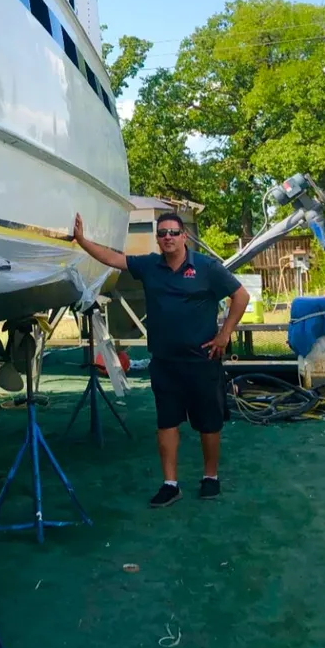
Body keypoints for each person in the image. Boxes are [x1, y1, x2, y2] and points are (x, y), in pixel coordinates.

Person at [73, 211, 249, 507]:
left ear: (184, 236)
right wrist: (80, 240)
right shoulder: (149, 266)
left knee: (209, 423)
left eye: (173, 232)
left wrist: (224, 334)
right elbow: (112, 259)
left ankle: (210, 477)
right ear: (158, 239)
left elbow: (240, 296)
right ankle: (170, 484)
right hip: (165, 361)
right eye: (162, 233)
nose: (168, 237)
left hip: (201, 359)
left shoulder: (206, 268)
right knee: (166, 422)